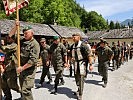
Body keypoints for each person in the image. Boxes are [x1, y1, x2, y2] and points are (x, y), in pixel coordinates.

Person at [9, 21, 40, 100]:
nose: (24, 35)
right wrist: (16, 26)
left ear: (32, 34)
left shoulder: (35, 44)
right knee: (23, 88)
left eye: (26, 33)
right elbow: (10, 35)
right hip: (21, 69)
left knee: (26, 90)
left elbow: (32, 61)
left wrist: (22, 68)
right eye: (24, 33)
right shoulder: (22, 40)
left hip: (29, 70)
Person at [68, 33, 93, 100]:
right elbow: (70, 54)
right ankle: (79, 89)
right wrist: (69, 63)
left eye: (74, 37)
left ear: (79, 37)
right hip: (75, 64)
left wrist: (90, 65)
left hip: (82, 63)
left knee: (81, 78)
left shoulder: (83, 45)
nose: (73, 38)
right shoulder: (72, 46)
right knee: (76, 77)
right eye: (72, 37)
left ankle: (80, 94)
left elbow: (89, 55)